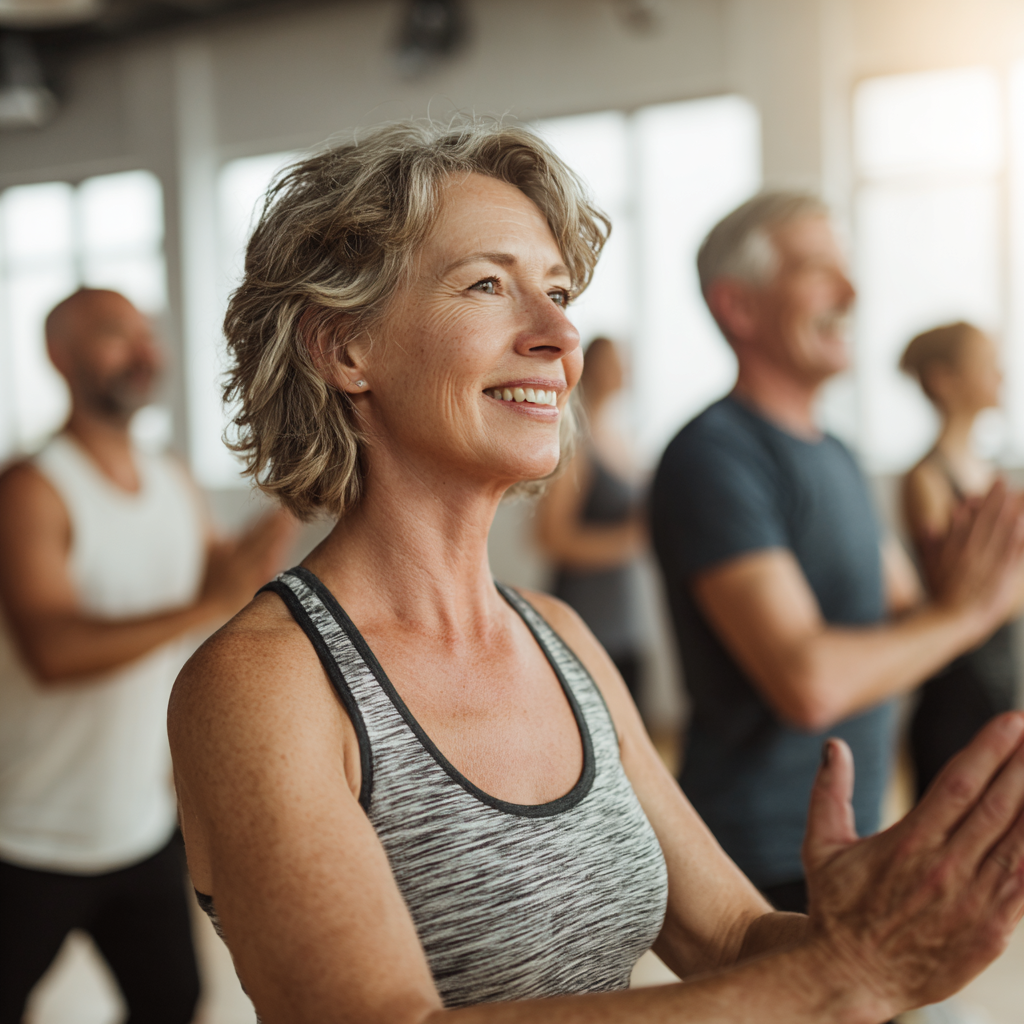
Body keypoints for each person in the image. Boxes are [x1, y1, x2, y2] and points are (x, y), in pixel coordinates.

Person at [169, 121, 1024, 1024]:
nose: (558, 332)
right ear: (345, 349)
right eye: (488, 284)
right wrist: (838, 974)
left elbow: (728, 935)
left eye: (560, 291)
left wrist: (854, 932)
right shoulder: (262, 684)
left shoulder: (556, 635)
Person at [649, 192, 1024, 917]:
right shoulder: (714, 456)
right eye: (817, 269)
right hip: (758, 859)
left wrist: (979, 584)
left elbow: (910, 614)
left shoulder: (842, 456)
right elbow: (809, 683)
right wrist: (966, 612)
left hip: (856, 835)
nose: (851, 292)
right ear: (739, 307)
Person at [0, 288, 293, 1024]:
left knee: (171, 1001)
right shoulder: (32, 490)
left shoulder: (169, 476)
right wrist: (209, 601)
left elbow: (220, 579)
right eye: (113, 335)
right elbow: (54, 650)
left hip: (138, 825)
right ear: (59, 357)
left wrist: (302, 486)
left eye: (145, 335)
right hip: (25, 835)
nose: (142, 352)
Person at [901, 322, 1020, 796]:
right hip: (957, 691)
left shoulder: (989, 472)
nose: (1000, 375)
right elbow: (961, 596)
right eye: (986, 363)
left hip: (1000, 678)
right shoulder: (926, 479)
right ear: (943, 379)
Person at [535, 336, 646, 698]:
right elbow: (550, 537)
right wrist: (628, 540)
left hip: (625, 620)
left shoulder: (622, 440)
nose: (624, 370)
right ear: (592, 368)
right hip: (586, 619)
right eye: (614, 361)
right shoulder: (576, 444)